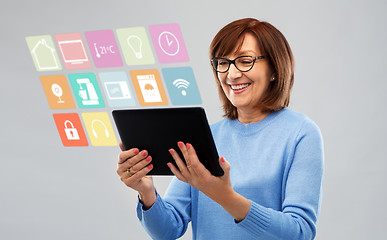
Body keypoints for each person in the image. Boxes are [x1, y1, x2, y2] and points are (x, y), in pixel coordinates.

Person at [117, 18, 324, 240]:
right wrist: (146, 191)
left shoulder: (301, 133)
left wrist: (225, 197)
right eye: (223, 63)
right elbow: (168, 229)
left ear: (275, 69)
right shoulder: (205, 136)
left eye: (245, 61)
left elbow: (300, 231)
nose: (232, 74)